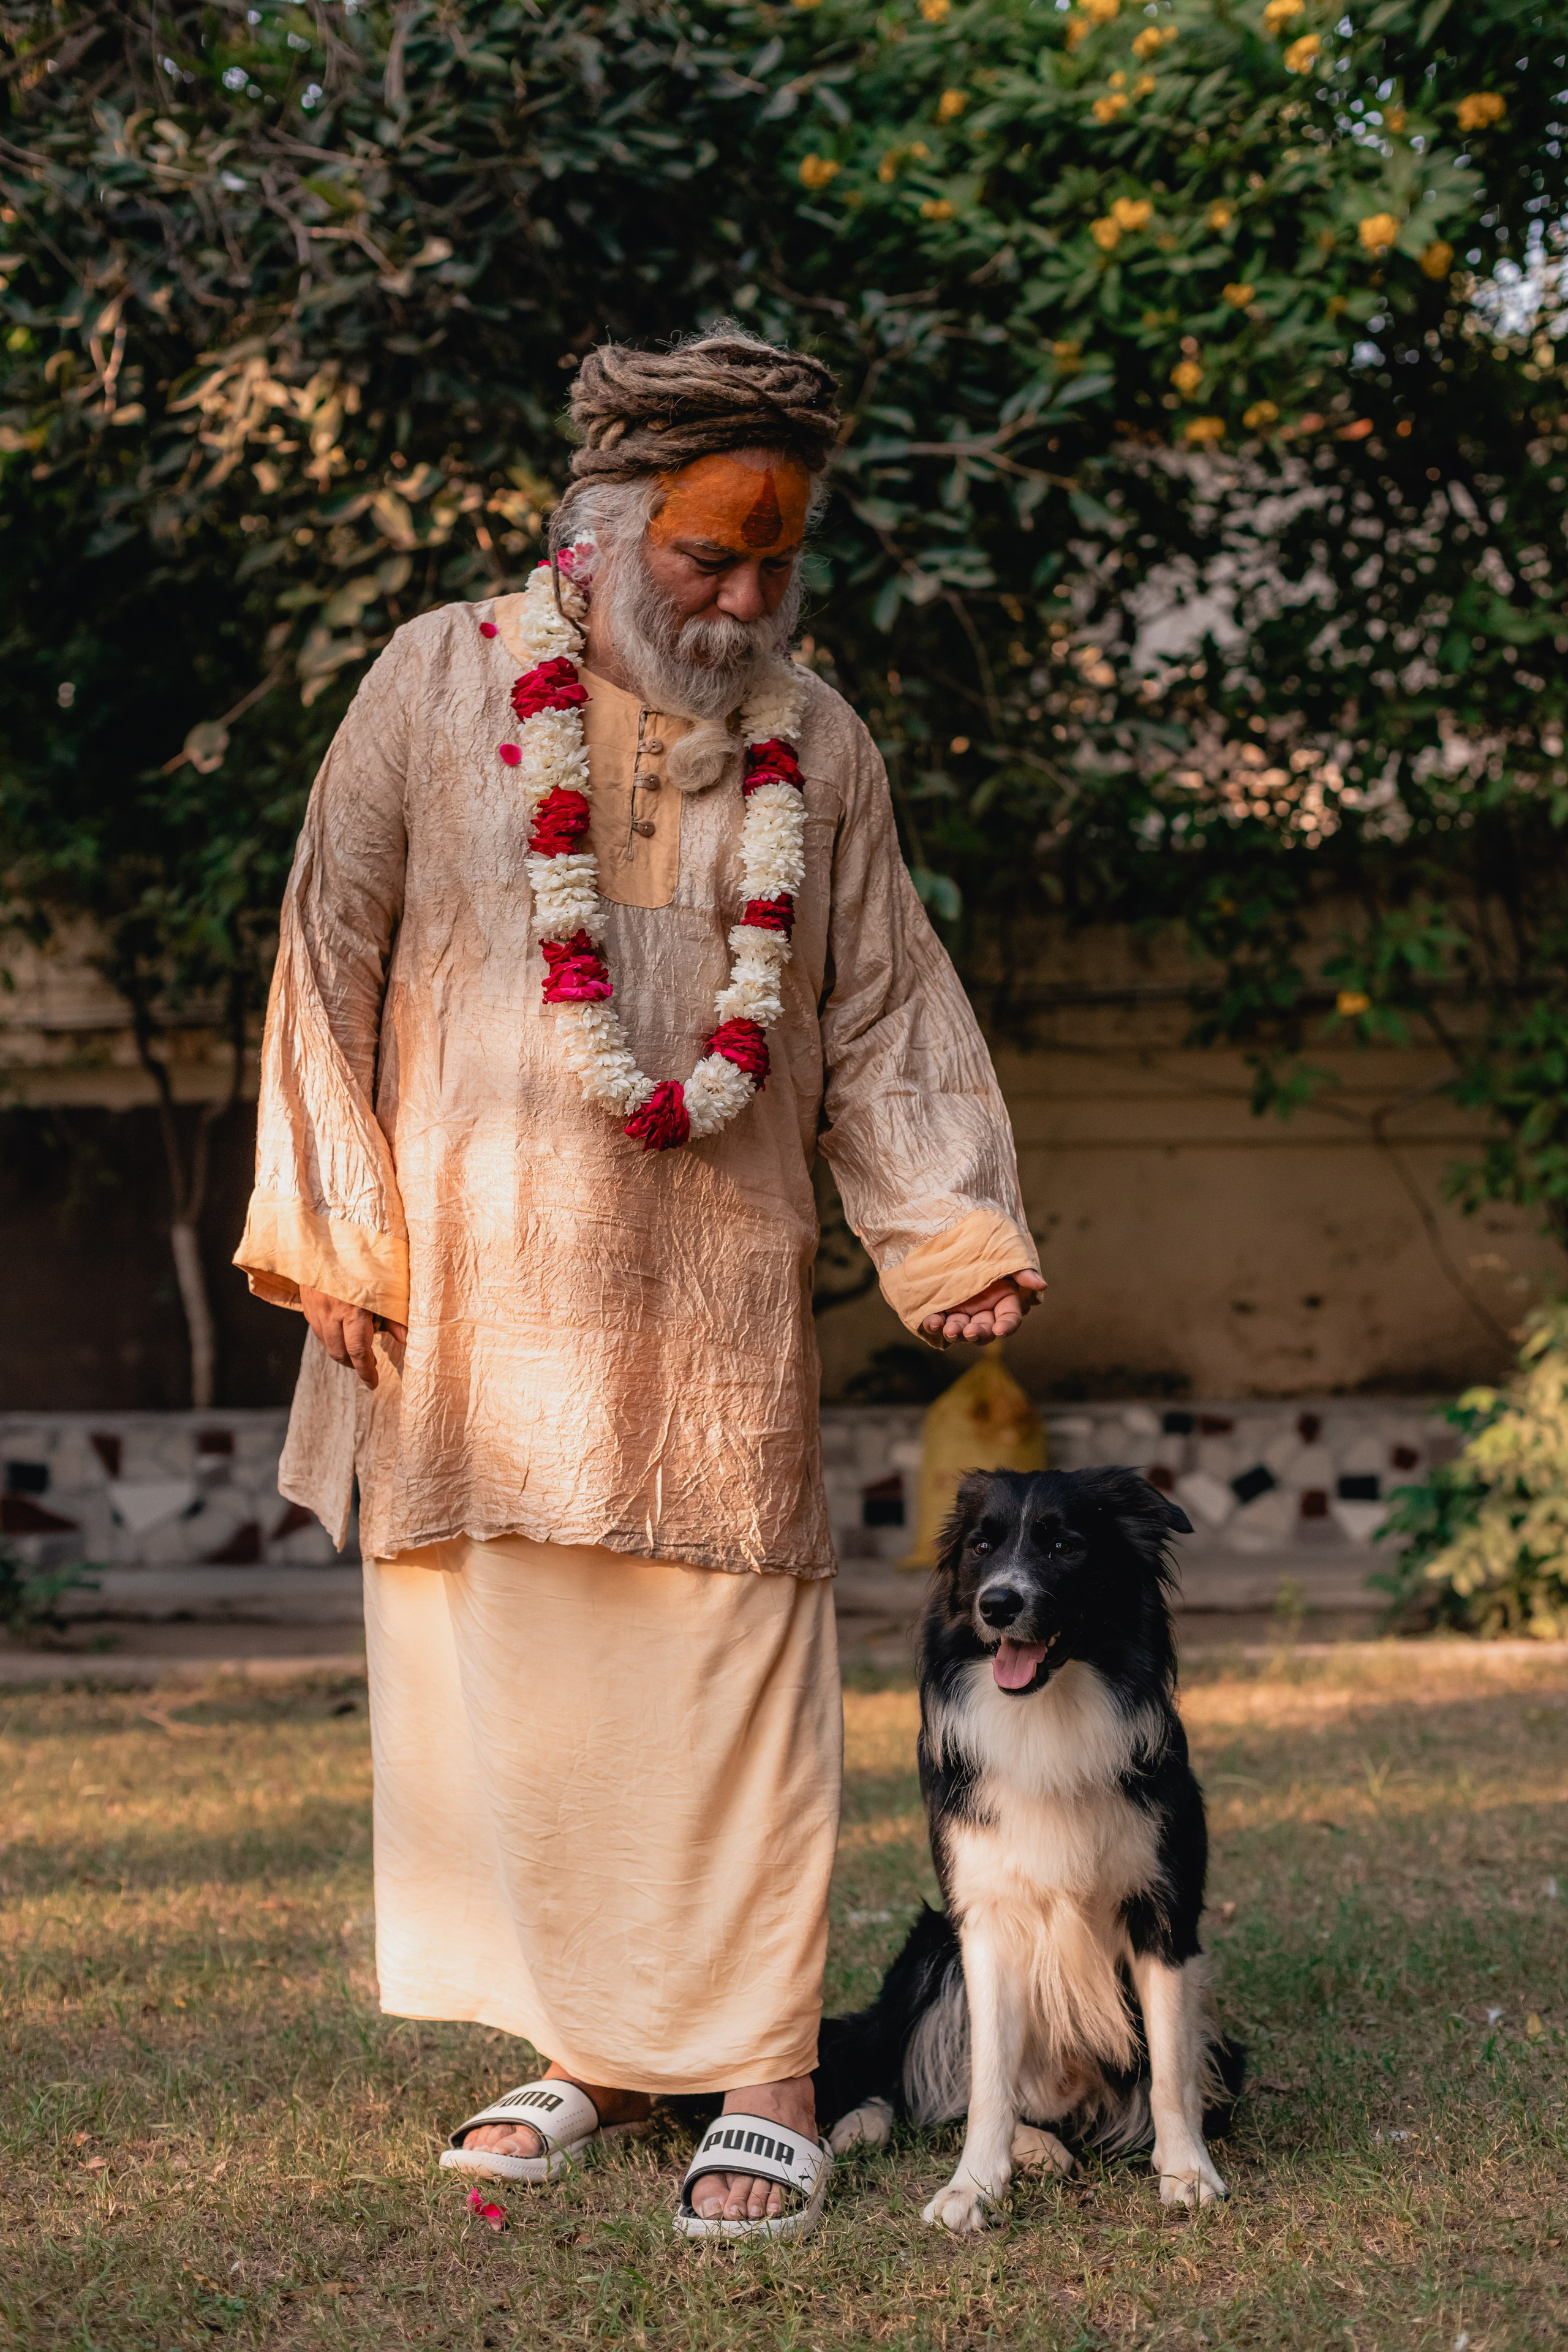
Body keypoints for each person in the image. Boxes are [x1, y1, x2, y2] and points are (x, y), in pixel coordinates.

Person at [235, 327, 1042, 2239]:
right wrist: (335, 1224)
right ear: (596, 536)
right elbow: (322, 950)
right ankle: (586, 2049)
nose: (748, 597)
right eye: (709, 557)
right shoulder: (433, 684)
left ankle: (762, 2066)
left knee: (727, 1669)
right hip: (477, 1287)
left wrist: (942, 1222)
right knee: (515, 1689)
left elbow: (880, 999)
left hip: (708, 1306)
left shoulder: (816, 741)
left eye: (778, 564)